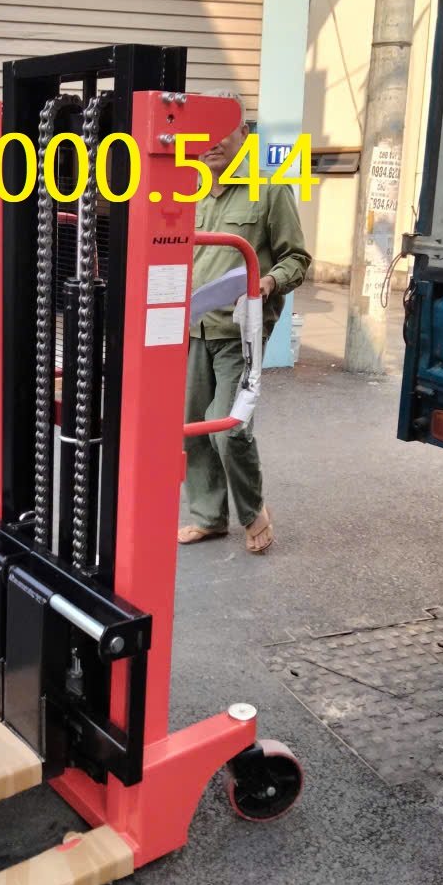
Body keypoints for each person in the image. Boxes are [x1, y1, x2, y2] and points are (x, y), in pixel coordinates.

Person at [179, 99, 311, 554]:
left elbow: (297, 258)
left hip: (239, 333)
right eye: (202, 132)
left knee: (228, 428)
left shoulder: (268, 189)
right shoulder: (189, 187)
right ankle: (207, 516)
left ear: (243, 134)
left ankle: (253, 512)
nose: (211, 142)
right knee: (191, 426)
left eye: (222, 129)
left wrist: (268, 281)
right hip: (191, 328)